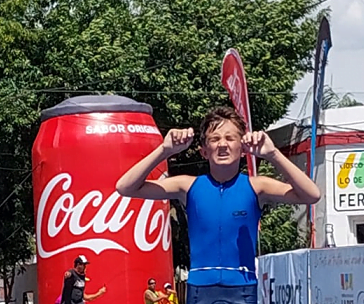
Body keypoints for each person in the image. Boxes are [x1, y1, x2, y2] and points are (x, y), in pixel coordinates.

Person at [116, 106, 321, 304]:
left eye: (230, 138)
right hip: (200, 289)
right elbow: (125, 187)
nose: (222, 144)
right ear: (204, 151)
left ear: (242, 149)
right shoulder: (188, 186)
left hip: (242, 288)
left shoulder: (257, 186)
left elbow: (312, 194)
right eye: (215, 139)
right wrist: (164, 150)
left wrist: (272, 154)